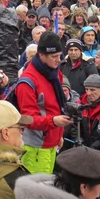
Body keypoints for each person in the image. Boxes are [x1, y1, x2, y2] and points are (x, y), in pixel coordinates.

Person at [13, 32, 73, 174]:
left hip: (51, 143)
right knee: (36, 193)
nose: (59, 60)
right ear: (41, 55)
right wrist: (54, 122)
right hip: (36, 148)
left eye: (60, 56)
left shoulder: (52, 71)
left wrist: (59, 135)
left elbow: (56, 107)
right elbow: (28, 119)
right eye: (54, 57)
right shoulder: (28, 82)